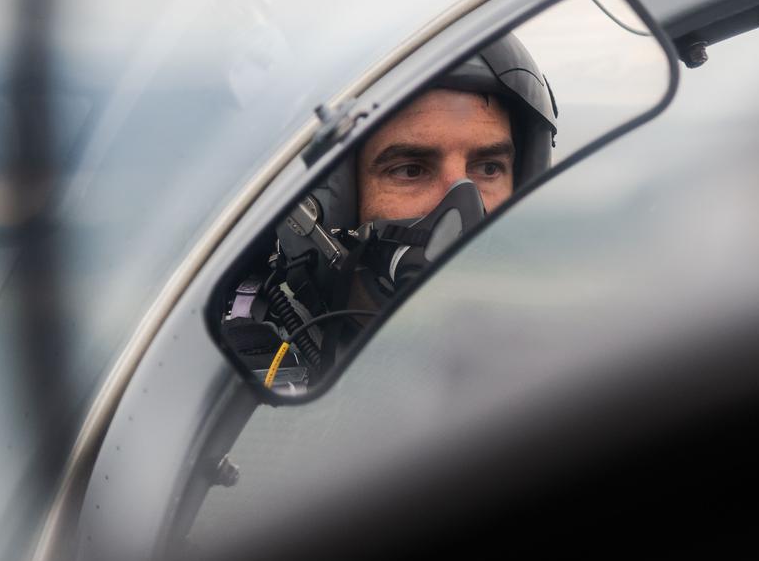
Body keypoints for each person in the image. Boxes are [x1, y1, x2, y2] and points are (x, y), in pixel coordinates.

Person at [227, 32, 557, 388]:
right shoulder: (239, 387)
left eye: (488, 168)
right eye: (410, 170)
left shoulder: (570, 364)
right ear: (319, 208)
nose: (463, 210)